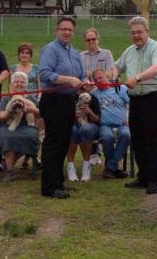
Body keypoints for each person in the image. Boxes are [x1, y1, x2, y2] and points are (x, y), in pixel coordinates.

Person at [115, 16, 157, 195]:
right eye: (133, 33)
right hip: (136, 101)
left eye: (139, 32)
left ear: (147, 32)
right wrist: (113, 73)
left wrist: (137, 78)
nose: (136, 35)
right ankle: (143, 176)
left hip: (154, 99)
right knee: (137, 140)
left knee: (152, 140)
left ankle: (154, 179)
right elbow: (117, 66)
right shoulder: (129, 51)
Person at [39, 16, 87, 199]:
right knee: (53, 143)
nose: (67, 32)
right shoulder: (50, 49)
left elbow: (80, 75)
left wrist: (84, 82)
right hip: (53, 101)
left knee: (63, 143)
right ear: (56, 31)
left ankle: (58, 182)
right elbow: (44, 73)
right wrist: (67, 79)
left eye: (70, 30)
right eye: (63, 29)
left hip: (68, 101)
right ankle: (49, 187)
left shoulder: (74, 52)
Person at [79, 27, 115, 166]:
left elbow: (111, 73)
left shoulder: (106, 54)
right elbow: (81, 75)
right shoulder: (80, 55)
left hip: (103, 92)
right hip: (88, 93)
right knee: (88, 118)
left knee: (103, 119)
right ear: (85, 41)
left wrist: (99, 79)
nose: (91, 41)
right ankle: (94, 152)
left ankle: (106, 148)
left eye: (93, 39)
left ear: (98, 39)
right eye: (88, 40)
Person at [0, 72, 41, 181]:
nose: (19, 84)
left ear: (26, 84)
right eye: (16, 82)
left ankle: (8, 164)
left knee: (30, 137)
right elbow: (0, 116)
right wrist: (9, 112)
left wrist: (30, 109)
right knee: (8, 137)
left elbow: (41, 113)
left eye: (22, 82)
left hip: (27, 125)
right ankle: (10, 172)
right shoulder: (7, 98)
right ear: (12, 84)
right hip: (7, 125)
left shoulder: (31, 97)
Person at [91, 68, 130, 179]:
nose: (98, 80)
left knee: (126, 135)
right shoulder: (93, 94)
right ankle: (113, 168)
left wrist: (128, 118)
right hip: (104, 125)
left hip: (122, 124)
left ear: (107, 77)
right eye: (95, 79)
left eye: (100, 77)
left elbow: (132, 104)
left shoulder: (120, 89)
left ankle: (110, 167)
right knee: (107, 137)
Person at [66, 90, 100, 182]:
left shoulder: (94, 99)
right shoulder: (70, 97)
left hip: (90, 126)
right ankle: (70, 167)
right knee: (71, 130)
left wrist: (89, 112)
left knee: (85, 129)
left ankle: (86, 165)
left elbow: (98, 120)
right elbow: (63, 117)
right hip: (73, 124)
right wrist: (73, 115)